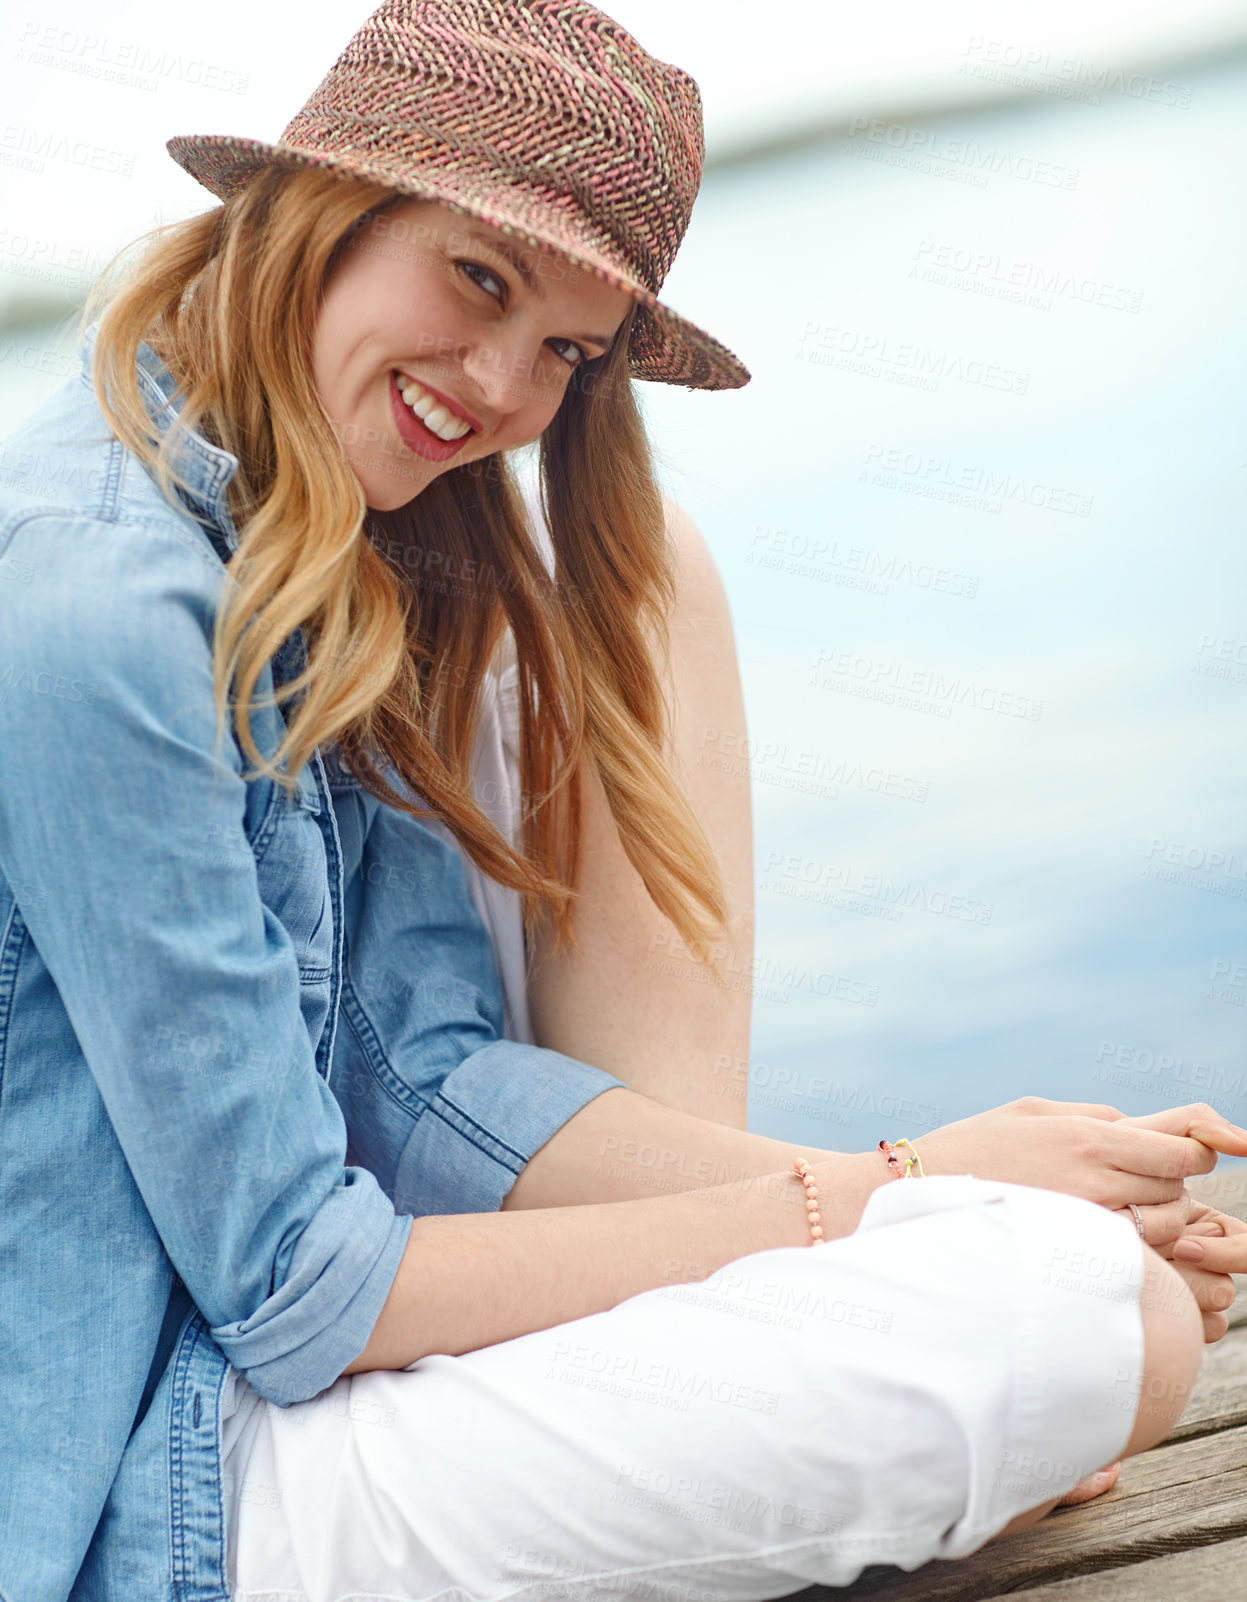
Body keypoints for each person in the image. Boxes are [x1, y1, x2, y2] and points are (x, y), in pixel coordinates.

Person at [0, 3, 1243, 1599]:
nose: (505, 388)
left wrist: (916, 1187)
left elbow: (423, 1081)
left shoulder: (318, 519)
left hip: (305, 1369)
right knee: (1076, 1311)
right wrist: (894, 1194)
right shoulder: (100, 599)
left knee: (635, 581)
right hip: (159, 1486)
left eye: (569, 353)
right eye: (480, 276)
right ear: (327, 211)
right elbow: (302, 1291)